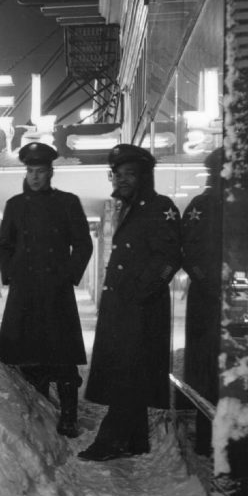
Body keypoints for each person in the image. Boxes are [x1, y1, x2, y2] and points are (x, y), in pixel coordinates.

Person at [80, 143, 182, 461]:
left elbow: (169, 257)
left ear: (144, 176)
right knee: (129, 373)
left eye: (129, 174)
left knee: (127, 373)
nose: (121, 180)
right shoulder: (131, 208)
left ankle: (111, 440)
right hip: (126, 309)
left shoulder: (158, 207)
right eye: (118, 174)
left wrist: (138, 293)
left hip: (141, 311)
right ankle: (136, 439)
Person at [0, 142, 93, 437]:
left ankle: (69, 418)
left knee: (62, 359)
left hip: (56, 293)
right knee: (28, 357)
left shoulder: (68, 202)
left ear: (51, 172)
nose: (35, 177)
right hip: (24, 294)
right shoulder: (15, 205)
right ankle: (37, 417)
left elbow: (84, 244)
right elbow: (4, 247)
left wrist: (68, 276)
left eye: (40, 171)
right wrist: (12, 274)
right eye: (30, 171)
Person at [181, 148, 224, 456]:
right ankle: (207, 435)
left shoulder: (244, 206)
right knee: (204, 365)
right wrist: (205, 280)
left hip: (224, 298)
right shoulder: (200, 206)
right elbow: (184, 249)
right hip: (205, 299)